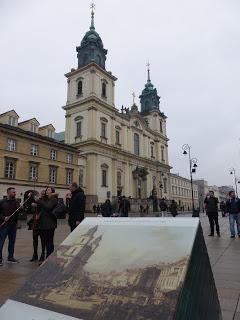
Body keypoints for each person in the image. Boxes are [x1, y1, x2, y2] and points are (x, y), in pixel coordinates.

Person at [33, 187, 58, 264]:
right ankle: (46, 258)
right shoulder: (45, 199)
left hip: (49, 224)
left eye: (49, 190)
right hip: (43, 224)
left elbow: (48, 207)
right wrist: (35, 205)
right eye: (47, 190)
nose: (47, 191)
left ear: (52, 192)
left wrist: (39, 201)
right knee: (45, 241)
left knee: (49, 242)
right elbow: (42, 208)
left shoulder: (53, 199)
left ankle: (49, 258)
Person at [0, 187, 21, 266]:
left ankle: (10, 257)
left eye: (15, 192)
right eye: (13, 192)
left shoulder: (16, 202)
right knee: (1, 242)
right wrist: (3, 217)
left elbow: (19, 212)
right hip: (4, 225)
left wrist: (22, 208)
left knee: (12, 242)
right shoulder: (2, 202)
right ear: (8, 193)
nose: (15, 193)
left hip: (13, 225)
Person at [28, 190, 46, 262]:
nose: (42, 195)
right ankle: (35, 254)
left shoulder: (46, 201)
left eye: (43, 194)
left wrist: (38, 206)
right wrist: (30, 196)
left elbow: (45, 208)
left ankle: (42, 255)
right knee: (35, 240)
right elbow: (30, 204)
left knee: (43, 240)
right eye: (41, 194)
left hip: (43, 223)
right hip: (36, 223)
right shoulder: (38, 200)